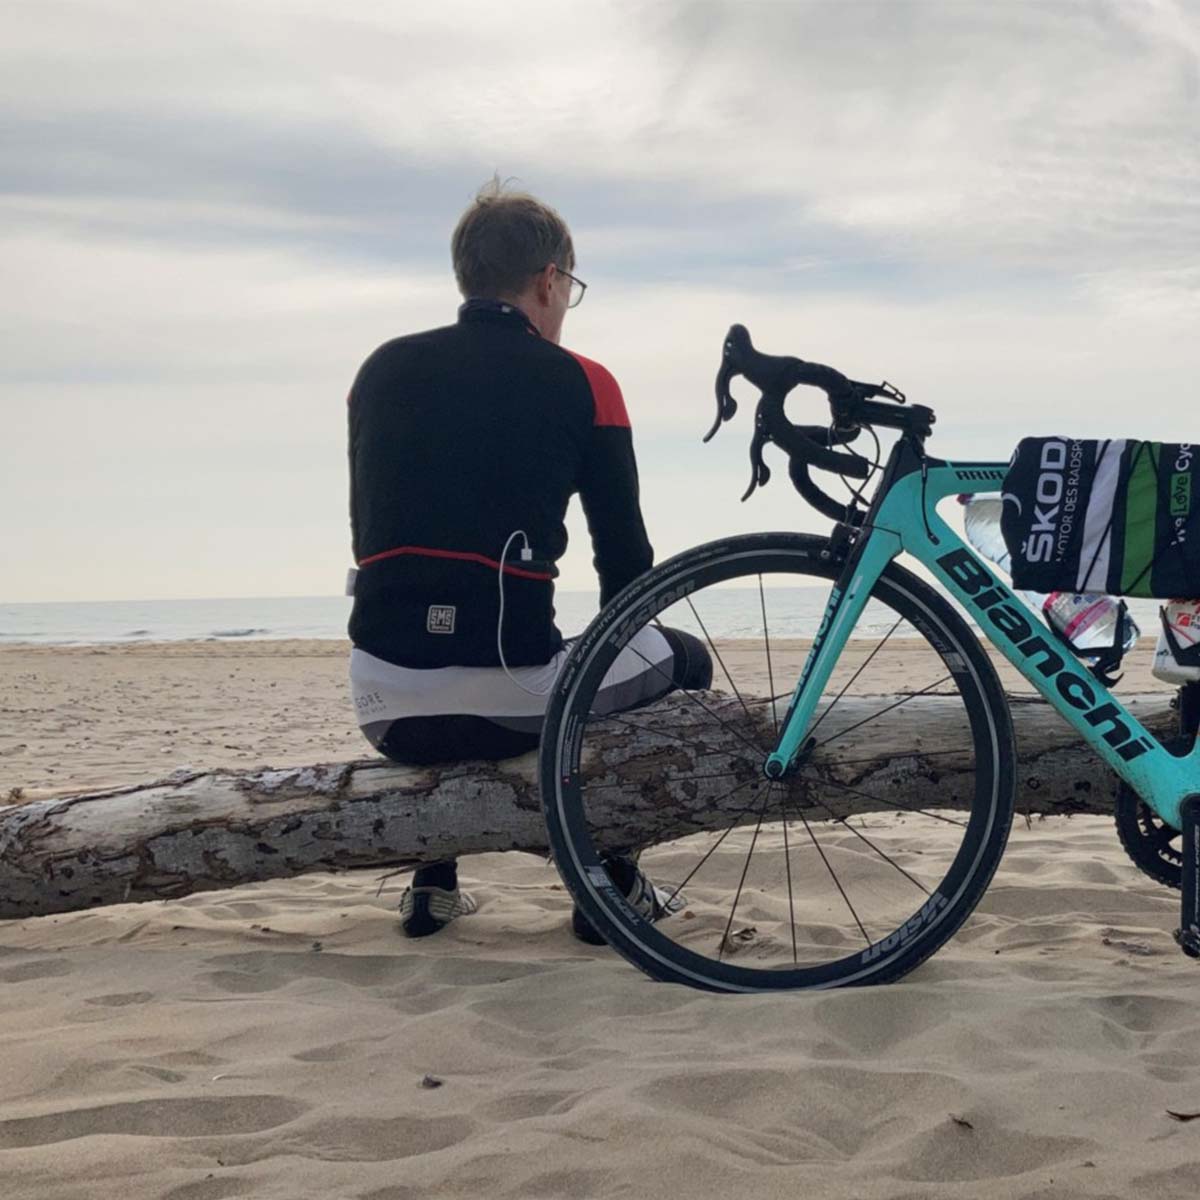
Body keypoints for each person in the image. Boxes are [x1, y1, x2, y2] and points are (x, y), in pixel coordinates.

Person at [346, 180, 712, 941]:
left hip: (382, 699)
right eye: (568, 289)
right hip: (508, 695)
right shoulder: (586, 381)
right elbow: (628, 573)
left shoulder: (379, 370)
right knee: (683, 660)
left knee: (458, 637)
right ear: (549, 280)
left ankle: (434, 883)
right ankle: (606, 884)